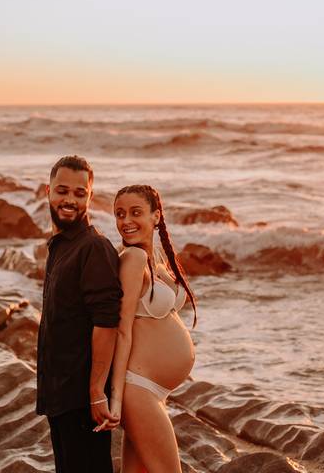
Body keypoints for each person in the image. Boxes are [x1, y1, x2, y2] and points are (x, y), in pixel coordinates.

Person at [36, 155, 123, 473]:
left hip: (82, 399)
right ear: (47, 191)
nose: (69, 200)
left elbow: (107, 323)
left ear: (89, 195)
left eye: (79, 193)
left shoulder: (93, 248)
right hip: (60, 395)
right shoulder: (61, 246)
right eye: (62, 191)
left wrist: (96, 392)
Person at [108, 184, 198, 473]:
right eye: (120, 214)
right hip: (138, 388)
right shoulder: (132, 260)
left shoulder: (156, 258)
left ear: (156, 216)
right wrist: (117, 399)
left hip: (150, 390)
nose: (126, 220)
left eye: (136, 212)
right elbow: (121, 331)